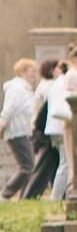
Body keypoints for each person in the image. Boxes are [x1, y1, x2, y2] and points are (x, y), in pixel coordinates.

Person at [24, 60, 67, 199]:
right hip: (45, 129)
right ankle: (30, 195)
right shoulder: (49, 86)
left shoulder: (47, 85)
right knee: (45, 165)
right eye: (57, 68)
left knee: (53, 164)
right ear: (51, 70)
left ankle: (59, 193)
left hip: (43, 128)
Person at [0, 61, 34, 198]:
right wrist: (1, 125)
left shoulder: (25, 88)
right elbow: (9, 109)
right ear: (23, 72)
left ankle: (25, 195)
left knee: (29, 165)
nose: (34, 74)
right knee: (27, 166)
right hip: (17, 131)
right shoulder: (17, 88)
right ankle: (6, 194)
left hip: (24, 131)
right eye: (32, 70)